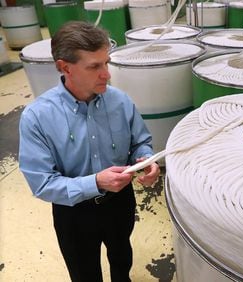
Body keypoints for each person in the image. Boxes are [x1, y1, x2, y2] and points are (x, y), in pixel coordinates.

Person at [18, 21, 160, 282]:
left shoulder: (120, 101)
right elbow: (42, 184)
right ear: (64, 67)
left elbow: (140, 141)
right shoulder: (37, 117)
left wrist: (145, 160)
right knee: (84, 273)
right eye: (94, 66)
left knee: (122, 257)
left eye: (106, 63)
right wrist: (95, 182)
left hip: (120, 202)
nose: (106, 74)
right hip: (74, 212)